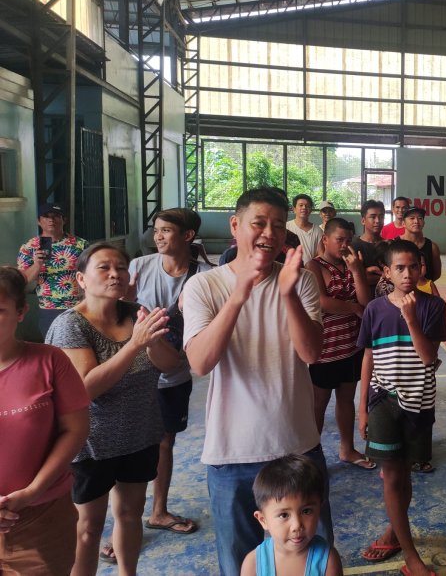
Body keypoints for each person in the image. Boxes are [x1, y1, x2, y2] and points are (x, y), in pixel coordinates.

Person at [183, 187, 330, 576]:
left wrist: (288, 296)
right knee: (239, 565)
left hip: (297, 447)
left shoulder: (300, 281)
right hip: (233, 455)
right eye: (259, 223)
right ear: (236, 226)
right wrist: (239, 294)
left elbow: (311, 353)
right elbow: (200, 362)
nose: (269, 233)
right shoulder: (205, 286)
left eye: (278, 226)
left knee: (311, 562)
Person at [46, 243, 180, 576]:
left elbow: (170, 365)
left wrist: (152, 342)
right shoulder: (71, 325)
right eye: (103, 267)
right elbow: (86, 387)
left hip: (140, 435)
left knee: (131, 515)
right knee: (89, 528)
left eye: (120, 267)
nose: (115, 273)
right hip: (91, 444)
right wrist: (135, 344)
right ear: (81, 278)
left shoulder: (138, 312)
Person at [95, 209, 207, 563]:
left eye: (167, 231)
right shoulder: (140, 266)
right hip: (132, 370)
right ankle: (120, 525)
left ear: (187, 236)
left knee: (164, 443)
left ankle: (158, 511)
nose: (158, 237)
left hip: (173, 374)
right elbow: (113, 310)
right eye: (156, 230)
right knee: (123, 446)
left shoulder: (203, 276)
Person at [357, 239, 446, 575]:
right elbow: (368, 357)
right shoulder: (375, 309)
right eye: (399, 268)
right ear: (387, 272)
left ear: (422, 268)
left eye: (413, 267)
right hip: (384, 401)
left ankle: (395, 531)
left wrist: (410, 319)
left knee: (404, 472)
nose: (407, 274)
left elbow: (428, 357)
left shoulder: (432, 307)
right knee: (392, 475)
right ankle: (411, 556)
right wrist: (363, 407)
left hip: (418, 404)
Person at [0, 266, 89, 575]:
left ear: (21, 311)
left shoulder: (49, 361)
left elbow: (74, 430)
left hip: (41, 518)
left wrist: (34, 490)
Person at [306, 217, 373, 470]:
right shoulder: (313, 265)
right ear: (325, 239)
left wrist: (357, 272)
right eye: (339, 240)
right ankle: (311, 454)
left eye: (348, 240)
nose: (345, 245)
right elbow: (321, 301)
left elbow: (366, 301)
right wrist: (352, 307)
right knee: (318, 405)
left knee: (346, 400)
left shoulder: (352, 265)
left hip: (352, 346)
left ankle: (347, 449)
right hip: (325, 350)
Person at [241, 455, 342, 576]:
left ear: (319, 509)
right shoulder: (253, 565)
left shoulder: (328, 560)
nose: (297, 525)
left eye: (306, 511)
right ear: (263, 520)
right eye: (284, 515)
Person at [17, 203, 88, 336]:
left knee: (82, 347)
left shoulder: (80, 244)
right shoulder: (29, 247)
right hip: (50, 308)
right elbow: (23, 280)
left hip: (80, 306)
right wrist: (37, 264)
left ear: (64, 220)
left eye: (56, 216)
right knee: (54, 349)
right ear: (39, 221)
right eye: (46, 216)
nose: (51, 220)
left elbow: (92, 274)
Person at [351, 200, 386, 296]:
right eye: (373, 217)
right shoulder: (353, 246)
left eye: (381, 216)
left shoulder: (389, 245)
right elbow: (353, 278)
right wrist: (385, 275)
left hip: (388, 301)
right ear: (363, 220)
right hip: (364, 301)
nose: (378, 220)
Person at [400, 206, 442, 283]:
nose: (416, 221)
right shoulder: (395, 244)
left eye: (420, 218)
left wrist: (423, 284)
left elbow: (436, 274)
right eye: (412, 218)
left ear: (423, 223)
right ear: (403, 223)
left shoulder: (432, 247)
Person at [287, 194, 323, 262]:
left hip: (310, 270)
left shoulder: (318, 230)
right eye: (301, 205)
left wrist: (310, 265)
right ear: (294, 209)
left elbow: (321, 254)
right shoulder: (286, 227)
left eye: (307, 206)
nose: (304, 208)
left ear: (311, 210)